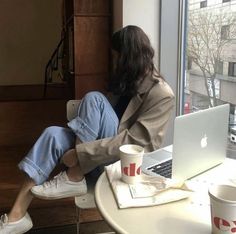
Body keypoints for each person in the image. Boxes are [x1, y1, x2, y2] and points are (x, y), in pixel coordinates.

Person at [0, 25, 175, 234]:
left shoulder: (161, 93)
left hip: (122, 164)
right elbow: (99, 126)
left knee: (94, 98)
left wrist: (79, 154)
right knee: (52, 134)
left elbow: (138, 143)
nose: (114, 61)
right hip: (98, 154)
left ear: (127, 57)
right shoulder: (127, 81)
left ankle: (75, 175)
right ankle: (17, 216)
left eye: (117, 56)